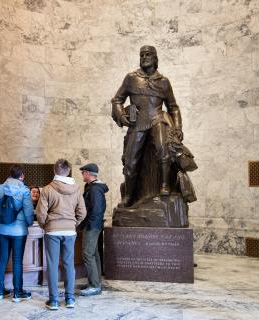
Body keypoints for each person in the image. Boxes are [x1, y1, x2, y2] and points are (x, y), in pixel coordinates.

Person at [111, 45, 183, 207]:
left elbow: (173, 107)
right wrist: (121, 115)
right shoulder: (131, 78)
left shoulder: (164, 82)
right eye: (142, 55)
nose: (144, 57)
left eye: (148, 54)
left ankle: (165, 185)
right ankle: (128, 196)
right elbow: (117, 100)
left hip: (158, 119)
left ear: (155, 58)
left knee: (164, 149)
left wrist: (177, 128)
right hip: (138, 123)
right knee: (130, 162)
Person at [36, 159, 86, 310]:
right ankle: (70, 299)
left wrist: (46, 225)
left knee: (52, 265)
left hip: (52, 230)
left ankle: (53, 301)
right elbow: (82, 212)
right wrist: (73, 224)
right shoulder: (77, 189)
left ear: (54, 170)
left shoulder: (47, 189)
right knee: (68, 264)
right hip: (70, 231)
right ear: (68, 171)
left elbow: (40, 214)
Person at [0, 164, 34, 302]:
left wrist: (0, 218)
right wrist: (29, 223)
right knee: (17, 261)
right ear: (22, 176)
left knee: (2, 260)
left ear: (9, 174)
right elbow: (28, 211)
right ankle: (17, 293)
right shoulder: (24, 190)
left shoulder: (0, 188)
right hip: (19, 231)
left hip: (2, 229)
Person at [79, 163, 108, 296]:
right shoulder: (91, 187)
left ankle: (95, 286)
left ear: (88, 173)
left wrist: (88, 225)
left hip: (92, 226)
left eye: (83, 172)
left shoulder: (95, 189)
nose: (82, 175)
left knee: (87, 254)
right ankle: (94, 281)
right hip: (93, 225)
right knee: (94, 254)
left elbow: (96, 210)